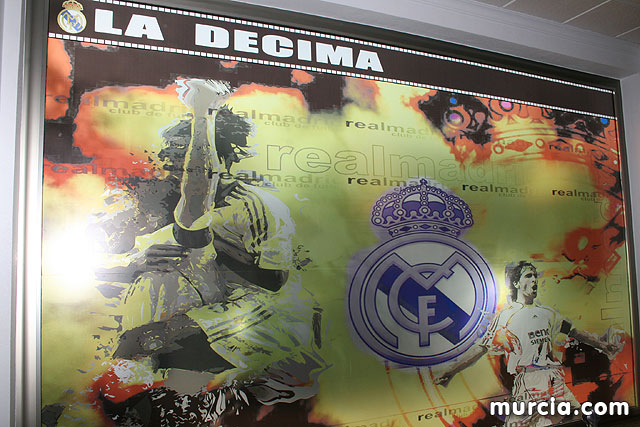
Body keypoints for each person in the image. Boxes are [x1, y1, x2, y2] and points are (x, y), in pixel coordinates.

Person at [86, 79, 325, 425]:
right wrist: (134, 265)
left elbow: (275, 281)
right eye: (172, 152)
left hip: (266, 315)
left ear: (219, 157)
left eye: (185, 152)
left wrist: (213, 245)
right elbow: (102, 268)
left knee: (149, 346)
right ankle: (123, 406)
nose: (174, 161)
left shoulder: (260, 206)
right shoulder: (162, 204)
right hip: (214, 307)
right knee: (141, 336)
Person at [434, 261, 622, 427]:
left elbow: (575, 333)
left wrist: (602, 345)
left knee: (577, 415)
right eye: (528, 276)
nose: (534, 280)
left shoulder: (548, 314)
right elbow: (481, 348)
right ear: (516, 283)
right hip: (529, 380)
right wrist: (451, 370)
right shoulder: (506, 317)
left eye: (535, 276)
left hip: (553, 377)